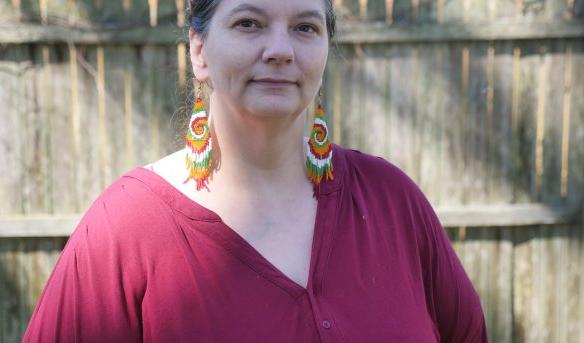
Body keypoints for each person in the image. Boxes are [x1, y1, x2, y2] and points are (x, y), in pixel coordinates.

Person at [23, 0, 487, 342]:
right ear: (199, 51)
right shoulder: (126, 229)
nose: (280, 50)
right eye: (249, 23)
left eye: (305, 27)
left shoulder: (392, 203)